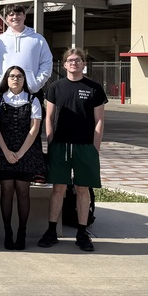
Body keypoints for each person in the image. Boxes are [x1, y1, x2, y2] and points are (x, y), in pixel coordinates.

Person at [38, 48, 107, 253]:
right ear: (65, 64)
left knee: (83, 189)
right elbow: (48, 118)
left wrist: (95, 147)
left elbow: (100, 120)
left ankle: (82, 233)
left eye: (78, 60)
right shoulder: (55, 87)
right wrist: (51, 141)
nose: (74, 63)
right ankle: (51, 231)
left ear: (84, 64)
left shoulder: (94, 89)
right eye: (70, 60)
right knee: (58, 188)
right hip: (60, 145)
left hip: (85, 147)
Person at [0, 65, 46, 250]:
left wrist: (20, 153)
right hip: (4, 150)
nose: (15, 79)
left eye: (19, 76)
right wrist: (7, 152)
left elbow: (35, 129)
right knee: (7, 191)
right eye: (11, 76)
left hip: (26, 150)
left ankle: (22, 232)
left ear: (24, 79)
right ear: (6, 79)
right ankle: (8, 231)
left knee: (23, 191)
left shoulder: (33, 99)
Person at [0, 4, 53, 93]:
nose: (15, 17)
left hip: (31, 90)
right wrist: (1, 82)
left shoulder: (38, 39)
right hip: (3, 90)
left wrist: (36, 84)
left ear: (24, 16)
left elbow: (46, 63)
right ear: (6, 18)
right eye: (11, 15)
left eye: (19, 14)